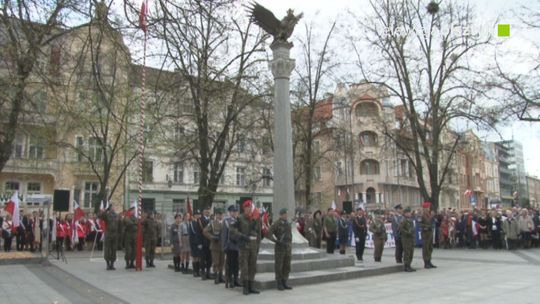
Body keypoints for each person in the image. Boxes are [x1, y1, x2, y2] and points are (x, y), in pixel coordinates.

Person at [230, 200, 261, 296]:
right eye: (247, 208)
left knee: (253, 266)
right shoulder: (239, 218)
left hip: (253, 245)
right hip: (244, 246)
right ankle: (245, 286)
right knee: (244, 267)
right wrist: (242, 236)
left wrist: (258, 245)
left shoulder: (255, 219)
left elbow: (259, 233)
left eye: (250, 208)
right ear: (244, 208)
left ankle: (251, 286)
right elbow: (232, 230)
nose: (249, 210)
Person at [267, 208, 293, 291]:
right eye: (285, 214)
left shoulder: (288, 224)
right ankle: (279, 283)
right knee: (279, 266)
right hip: (280, 248)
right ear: (281, 215)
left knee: (287, 265)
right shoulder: (276, 224)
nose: (286, 215)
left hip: (287, 247)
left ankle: (284, 281)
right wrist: (276, 241)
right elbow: (269, 233)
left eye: (287, 214)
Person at [203, 208, 226, 284]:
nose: (220, 216)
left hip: (223, 246)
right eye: (219, 214)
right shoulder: (212, 223)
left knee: (222, 262)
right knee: (216, 262)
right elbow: (205, 231)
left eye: (221, 214)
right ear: (216, 215)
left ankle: (220, 276)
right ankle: (216, 277)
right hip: (215, 246)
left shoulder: (225, 223)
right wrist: (212, 237)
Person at [222, 205, 241, 289]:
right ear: (230, 212)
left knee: (237, 264)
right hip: (230, 247)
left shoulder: (239, 220)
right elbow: (224, 235)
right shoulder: (226, 221)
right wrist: (224, 246)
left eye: (236, 211)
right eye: (233, 212)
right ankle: (230, 280)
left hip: (238, 247)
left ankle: (236, 279)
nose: (234, 213)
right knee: (230, 264)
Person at [99, 205, 120, 270]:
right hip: (108, 233)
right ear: (110, 208)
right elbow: (101, 217)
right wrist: (105, 211)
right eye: (112, 207)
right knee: (107, 249)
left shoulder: (117, 215)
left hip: (115, 234)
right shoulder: (107, 215)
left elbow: (119, 224)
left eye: (114, 207)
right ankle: (108, 264)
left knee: (114, 249)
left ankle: (112, 264)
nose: (114, 208)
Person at [420, 202, 437, 269]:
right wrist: (427, 226)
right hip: (425, 234)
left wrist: (432, 217)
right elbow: (421, 224)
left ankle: (429, 261)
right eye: (427, 207)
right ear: (424, 208)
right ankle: (426, 262)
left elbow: (431, 222)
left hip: (430, 233)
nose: (429, 208)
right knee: (426, 248)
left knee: (430, 248)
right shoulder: (422, 215)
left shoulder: (428, 214)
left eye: (429, 207)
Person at [399, 207, 416, 272]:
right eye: (408, 213)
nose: (410, 213)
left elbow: (412, 228)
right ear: (405, 213)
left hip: (411, 238)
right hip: (406, 239)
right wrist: (407, 232)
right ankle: (406, 266)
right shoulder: (403, 220)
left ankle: (409, 265)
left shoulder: (410, 220)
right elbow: (400, 228)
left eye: (410, 212)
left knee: (411, 252)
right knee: (407, 253)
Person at [189, 210, 204, 277]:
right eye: (197, 214)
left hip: (200, 242)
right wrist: (192, 243)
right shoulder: (192, 223)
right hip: (194, 242)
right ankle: (195, 271)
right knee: (194, 257)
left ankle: (198, 271)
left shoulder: (200, 222)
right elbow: (191, 234)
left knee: (199, 257)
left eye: (199, 214)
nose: (198, 215)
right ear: (194, 215)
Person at [200, 207, 213, 280]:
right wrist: (199, 243)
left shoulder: (211, 220)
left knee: (209, 258)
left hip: (210, 242)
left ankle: (208, 272)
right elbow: (198, 233)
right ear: (203, 212)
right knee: (203, 258)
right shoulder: (200, 220)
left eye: (208, 212)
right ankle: (203, 273)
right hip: (203, 242)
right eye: (206, 212)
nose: (208, 213)